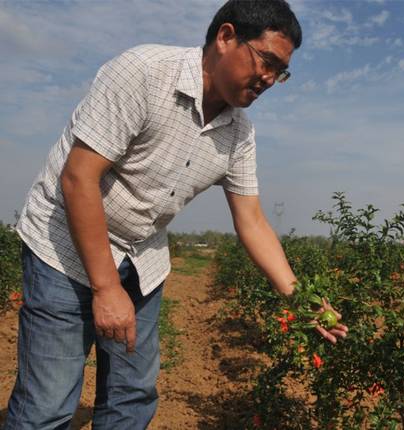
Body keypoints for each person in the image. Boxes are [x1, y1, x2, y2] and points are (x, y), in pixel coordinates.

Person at [3, 1, 348, 428]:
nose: (270, 80)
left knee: (132, 394)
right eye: (267, 62)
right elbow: (78, 178)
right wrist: (107, 288)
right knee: (48, 405)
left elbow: (252, 220)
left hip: (142, 257)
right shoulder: (144, 73)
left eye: (281, 72)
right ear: (225, 38)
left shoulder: (239, 132)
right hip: (64, 248)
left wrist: (302, 298)